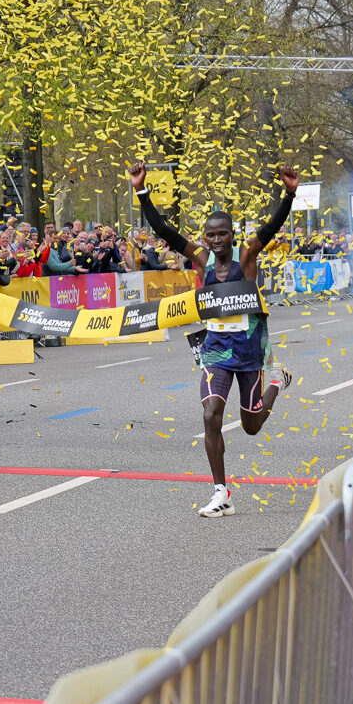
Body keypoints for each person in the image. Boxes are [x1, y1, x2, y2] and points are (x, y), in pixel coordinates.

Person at [131, 159, 297, 518]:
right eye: (211, 235)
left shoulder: (248, 255)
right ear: (206, 237)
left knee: (252, 426)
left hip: (250, 349)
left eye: (223, 234)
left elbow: (272, 226)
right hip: (217, 350)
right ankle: (221, 492)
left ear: (233, 235)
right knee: (211, 414)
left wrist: (289, 194)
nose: (217, 240)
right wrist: (142, 192)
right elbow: (166, 232)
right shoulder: (201, 258)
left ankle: (277, 383)